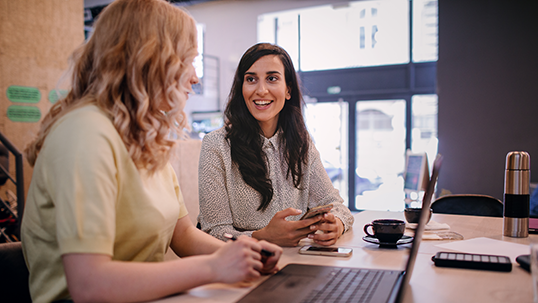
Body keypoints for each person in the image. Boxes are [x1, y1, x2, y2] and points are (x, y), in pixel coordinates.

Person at [21, 1, 281, 302]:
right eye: (188, 61)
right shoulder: (85, 133)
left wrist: (243, 254)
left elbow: (181, 235)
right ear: (152, 60)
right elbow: (89, 285)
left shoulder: (141, 137)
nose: (195, 78)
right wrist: (213, 266)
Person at [198, 43, 354, 247]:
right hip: (242, 268)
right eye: (251, 79)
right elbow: (212, 232)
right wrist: (260, 237)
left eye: (272, 79)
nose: (261, 90)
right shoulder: (216, 146)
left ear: (288, 90)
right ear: (241, 87)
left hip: (296, 265)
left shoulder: (301, 143)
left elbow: (335, 205)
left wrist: (338, 224)